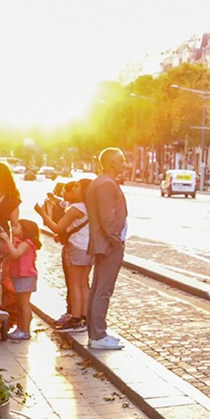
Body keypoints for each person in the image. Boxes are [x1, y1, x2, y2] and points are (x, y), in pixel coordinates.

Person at [86, 148, 130, 350]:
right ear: (111, 162)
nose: (125, 163)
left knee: (98, 288)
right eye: (121, 160)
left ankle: (96, 332)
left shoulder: (100, 182)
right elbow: (107, 217)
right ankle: (98, 335)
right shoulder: (106, 184)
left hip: (104, 242)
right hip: (108, 244)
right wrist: (115, 240)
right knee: (103, 290)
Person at [40, 179, 91, 334]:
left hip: (75, 247)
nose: (74, 187)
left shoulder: (75, 208)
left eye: (77, 186)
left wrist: (42, 213)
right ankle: (85, 317)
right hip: (88, 247)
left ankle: (75, 319)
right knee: (83, 283)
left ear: (82, 191)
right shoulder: (90, 207)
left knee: (74, 284)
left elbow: (57, 227)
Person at [2, 220, 40, 341]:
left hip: (26, 276)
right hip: (18, 276)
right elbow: (7, 253)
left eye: (17, 226)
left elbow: (16, 254)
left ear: (25, 230)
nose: (13, 228)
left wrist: (8, 241)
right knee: (20, 303)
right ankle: (20, 327)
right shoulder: (19, 242)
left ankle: (25, 330)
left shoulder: (27, 243)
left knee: (24, 304)